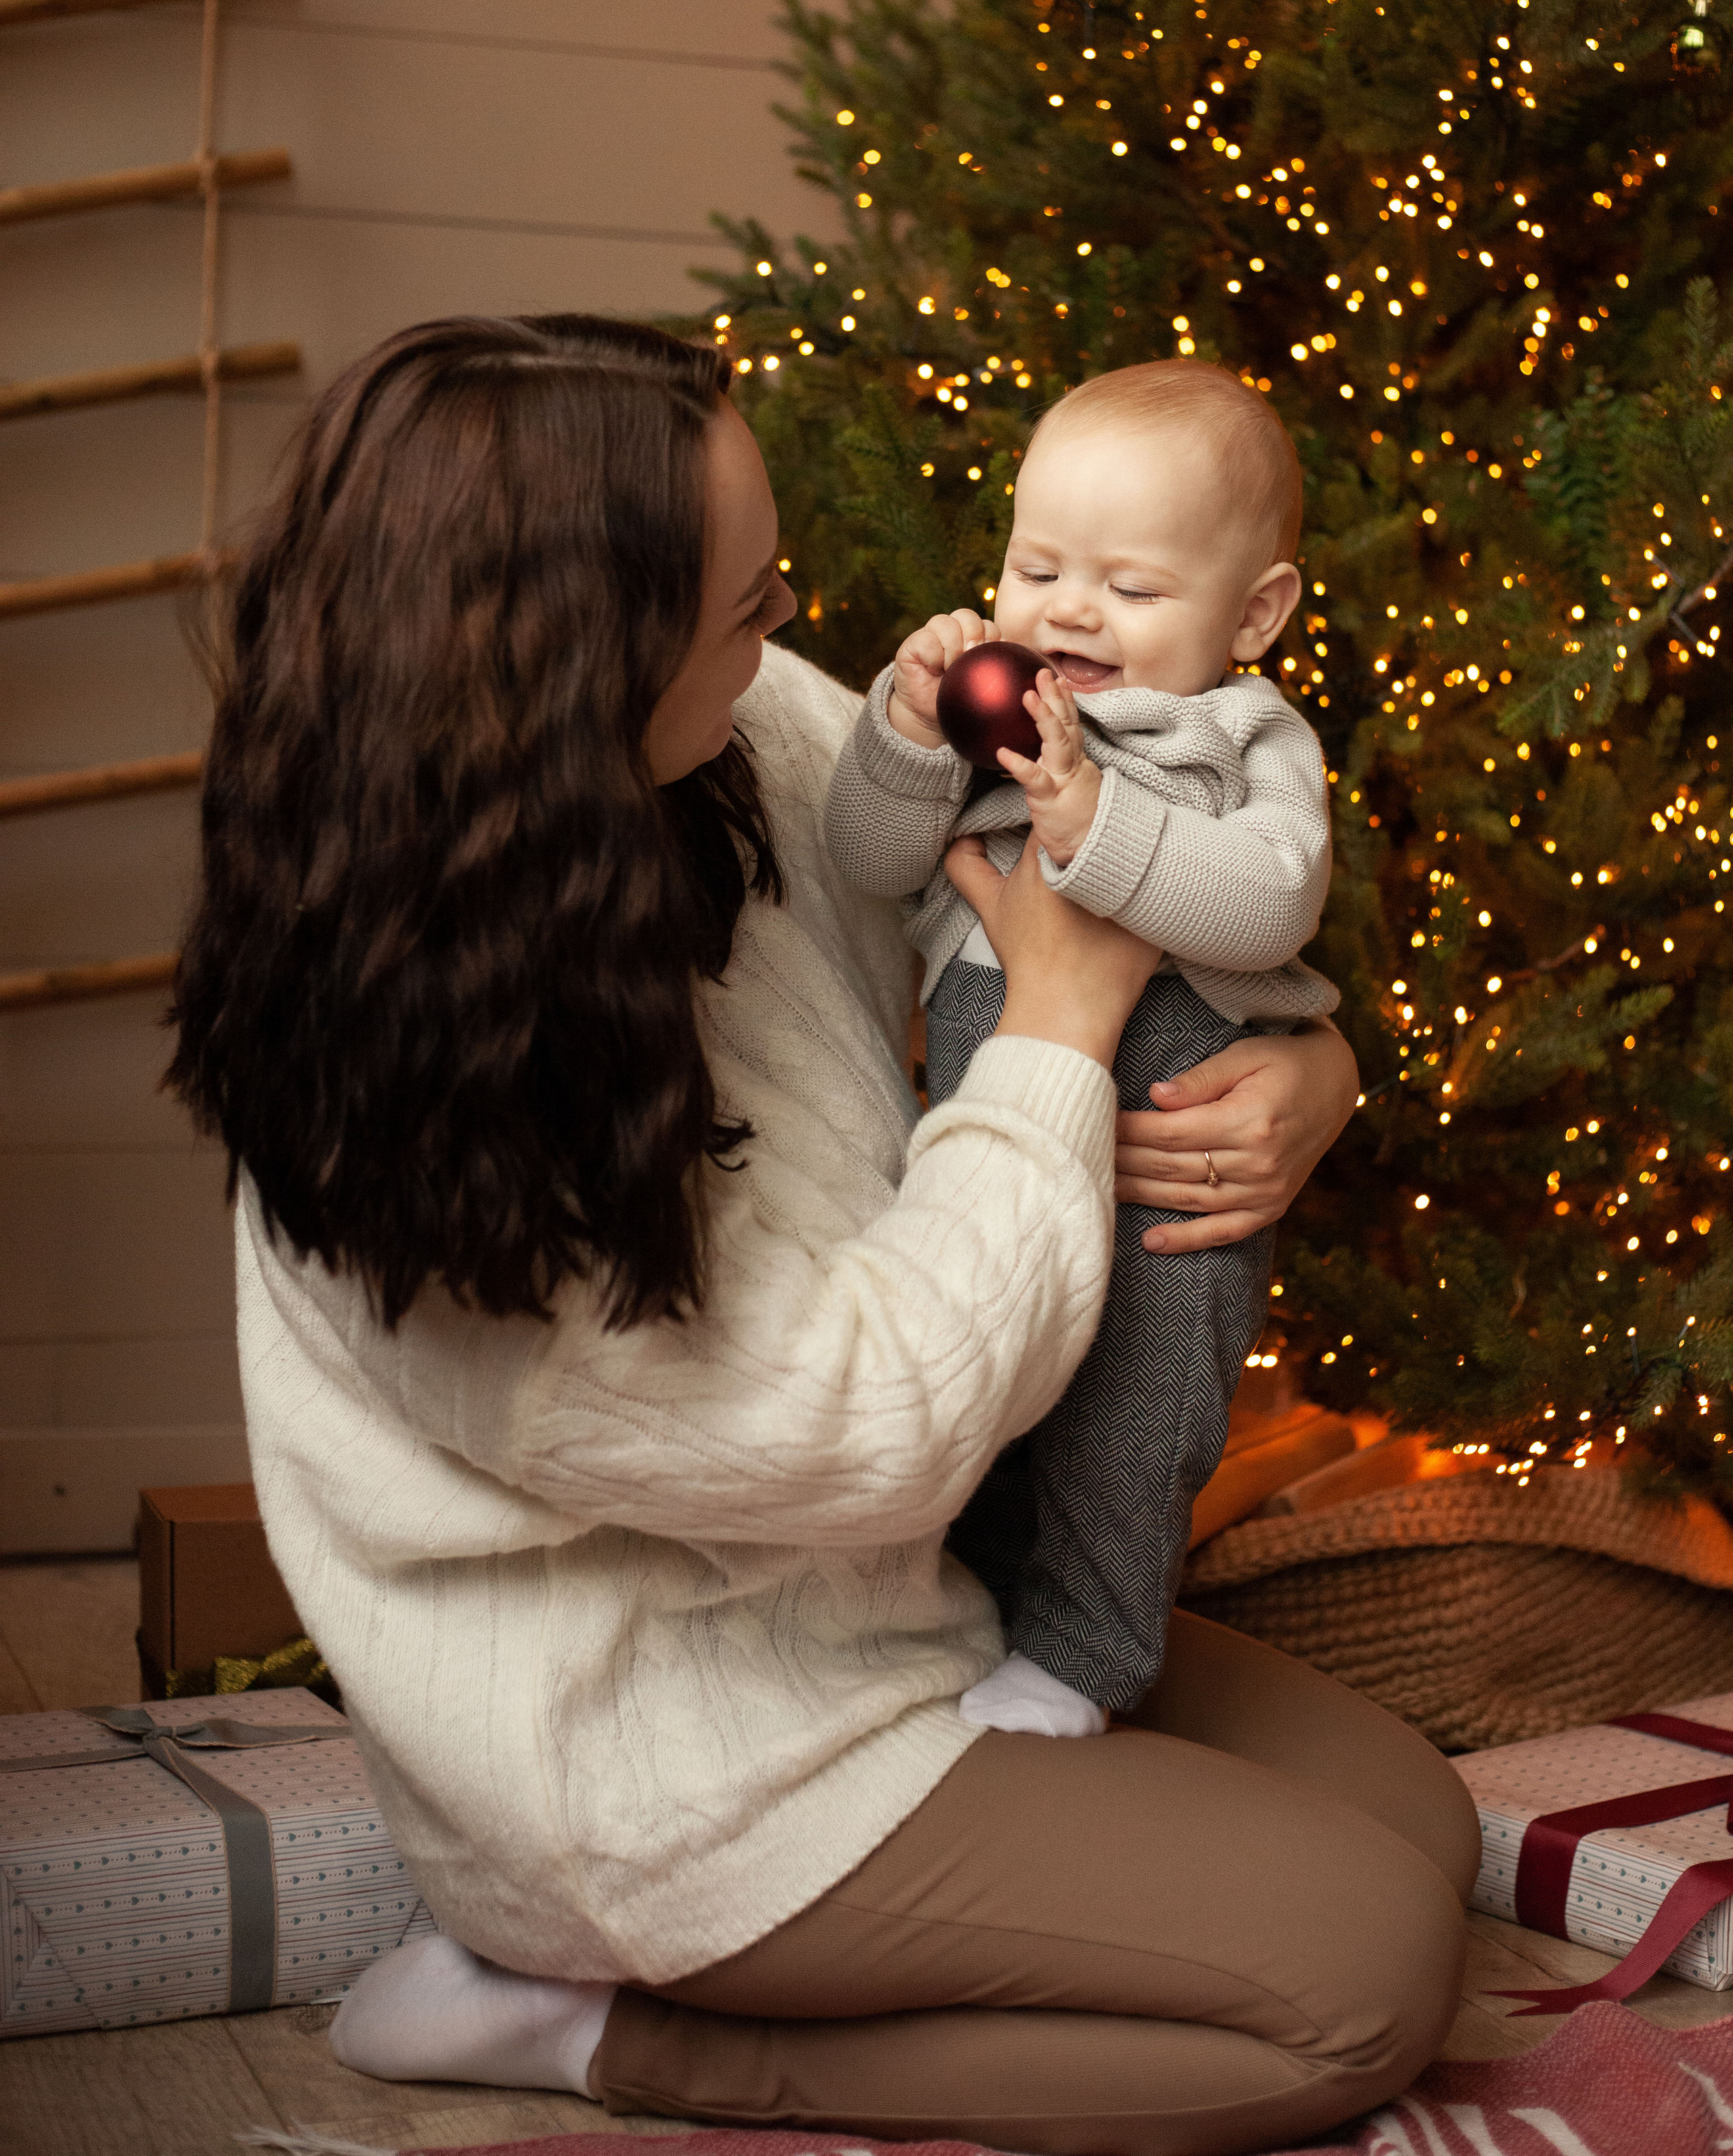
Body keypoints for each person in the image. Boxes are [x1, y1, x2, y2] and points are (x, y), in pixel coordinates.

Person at [168, 315, 1477, 2156]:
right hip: (682, 1755)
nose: (794, 634)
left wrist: (1311, 1064)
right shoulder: (428, 1112)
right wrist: (1067, 1031)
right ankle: (585, 2023)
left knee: (1415, 1826)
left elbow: (1042, 895)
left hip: (903, 1596)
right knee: (1360, 1977)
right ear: (578, 670)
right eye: (745, 607)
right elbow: (878, 1421)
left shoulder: (732, 733)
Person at [824, 362, 1334, 1742]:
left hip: (1169, 1183)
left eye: (1129, 584)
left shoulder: (1239, 734)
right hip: (988, 1163)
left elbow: (1269, 896)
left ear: (1254, 614)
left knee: (1126, 1425)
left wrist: (1089, 817)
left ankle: (1087, 1656)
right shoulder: (986, 728)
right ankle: (964, 1619)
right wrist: (904, 730)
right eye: (1034, 565)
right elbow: (865, 860)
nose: (1066, 608)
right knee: (979, 1417)